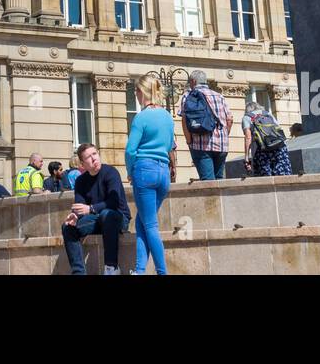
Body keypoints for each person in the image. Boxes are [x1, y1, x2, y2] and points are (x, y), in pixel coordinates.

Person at [125, 74, 175, 275]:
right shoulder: (167, 116)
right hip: (163, 172)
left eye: (136, 90)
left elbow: (130, 150)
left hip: (144, 170)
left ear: (142, 91)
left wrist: (130, 171)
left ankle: (162, 272)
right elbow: (171, 145)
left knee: (151, 225)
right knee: (142, 222)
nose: (135, 94)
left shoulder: (141, 117)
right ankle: (139, 271)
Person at [61, 143, 129, 275]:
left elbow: (114, 202)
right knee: (68, 227)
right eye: (88, 157)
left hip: (118, 218)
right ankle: (78, 272)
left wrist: (91, 208)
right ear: (82, 164)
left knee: (106, 214)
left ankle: (111, 268)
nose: (94, 159)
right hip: (98, 220)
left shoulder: (111, 172)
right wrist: (75, 216)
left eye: (95, 154)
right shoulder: (81, 181)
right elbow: (81, 206)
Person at [180, 71, 233, 181]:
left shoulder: (188, 96)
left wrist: (189, 141)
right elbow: (230, 119)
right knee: (220, 181)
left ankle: (212, 199)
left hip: (200, 145)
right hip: (222, 145)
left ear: (193, 81)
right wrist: (224, 136)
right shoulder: (219, 96)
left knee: (208, 182)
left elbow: (184, 121)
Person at [243, 100, 293, 176]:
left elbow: (248, 137)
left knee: (265, 178)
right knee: (283, 176)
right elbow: (279, 129)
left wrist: (246, 157)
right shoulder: (267, 114)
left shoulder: (247, 117)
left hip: (262, 151)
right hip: (279, 147)